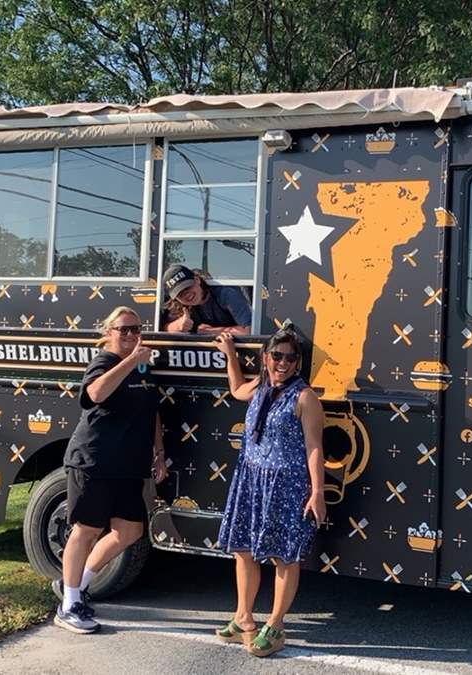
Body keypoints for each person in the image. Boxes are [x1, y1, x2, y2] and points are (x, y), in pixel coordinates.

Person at [54, 306, 167, 634]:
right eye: (123, 330)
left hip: (128, 465)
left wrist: (159, 453)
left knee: (129, 531)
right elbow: (94, 393)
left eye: (135, 329)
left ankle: (76, 585)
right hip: (94, 460)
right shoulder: (104, 362)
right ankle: (69, 606)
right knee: (86, 530)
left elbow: (152, 412)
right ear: (109, 332)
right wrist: (131, 360)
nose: (131, 334)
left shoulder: (143, 367)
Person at [212, 328, 325, 657]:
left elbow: (315, 447)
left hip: (285, 484)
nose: (283, 363)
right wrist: (231, 355)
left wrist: (316, 492)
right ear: (266, 358)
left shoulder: (305, 398)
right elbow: (235, 390)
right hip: (251, 478)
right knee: (243, 549)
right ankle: (243, 618)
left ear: (298, 363)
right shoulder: (260, 386)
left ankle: (275, 625)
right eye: (277, 356)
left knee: (283, 556)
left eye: (291, 358)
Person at [162, 264, 251, 334]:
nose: (186, 294)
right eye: (179, 293)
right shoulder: (179, 305)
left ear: (197, 280)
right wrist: (178, 325)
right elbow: (164, 328)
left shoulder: (225, 294)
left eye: (187, 287)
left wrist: (209, 331)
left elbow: (248, 330)